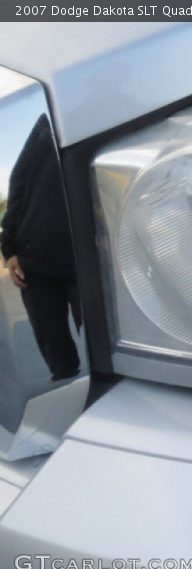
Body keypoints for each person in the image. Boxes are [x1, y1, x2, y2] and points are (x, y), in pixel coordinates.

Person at [1, 114, 81, 381]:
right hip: (34, 259)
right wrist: (8, 249)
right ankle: (68, 384)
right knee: (54, 345)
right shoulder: (45, 126)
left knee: (103, 337)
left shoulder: (98, 116)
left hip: (86, 254)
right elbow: (18, 184)